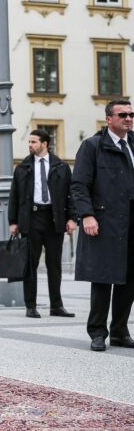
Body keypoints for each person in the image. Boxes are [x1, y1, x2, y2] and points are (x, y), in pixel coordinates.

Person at [72, 100, 134, 352]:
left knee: (129, 280)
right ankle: (98, 332)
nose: (128, 118)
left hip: (131, 222)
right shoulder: (92, 146)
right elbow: (79, 185)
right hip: (104, 221)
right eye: (123, 115)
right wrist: (87, 214)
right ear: (109, 119)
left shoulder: (133, 144)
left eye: (131, 114)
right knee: (103, 278)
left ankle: (120, 332)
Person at [8, 129, 77, 319]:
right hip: (31, 219)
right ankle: (31, 305)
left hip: (54, 219)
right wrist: (13, 221)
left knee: (55, 264)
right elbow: (15, 196)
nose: (30, 145)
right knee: (30, 264)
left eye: (33, 142)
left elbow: (70, 195)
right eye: (29, 142)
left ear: (45, 143)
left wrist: (72, 218)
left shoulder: (61, 167)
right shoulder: (22, 167)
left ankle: (57, 305)